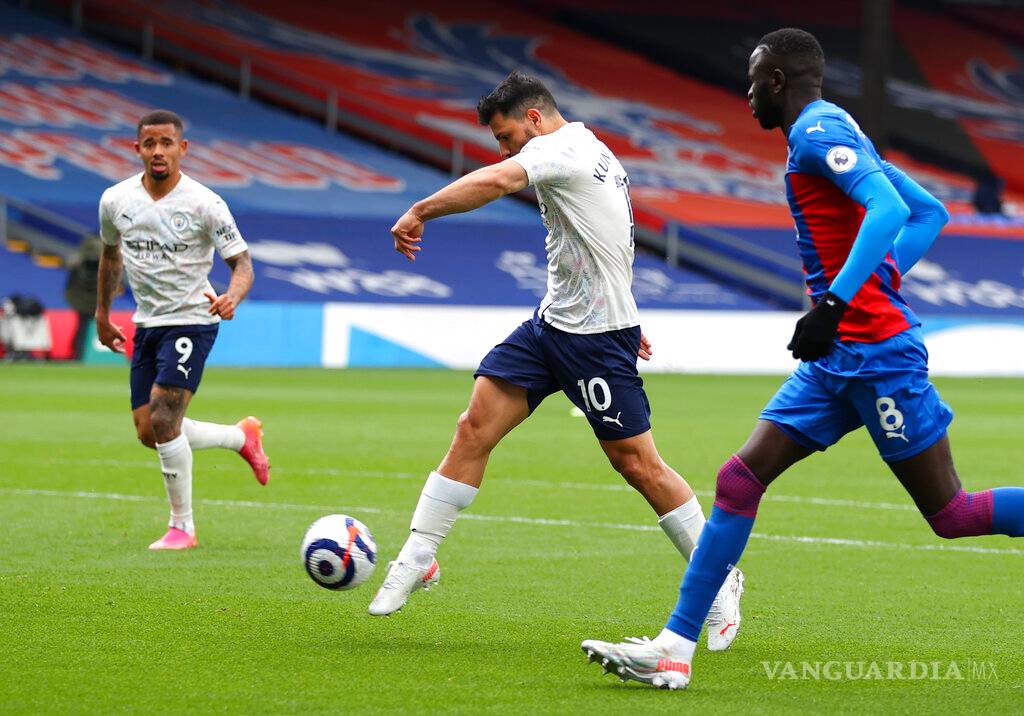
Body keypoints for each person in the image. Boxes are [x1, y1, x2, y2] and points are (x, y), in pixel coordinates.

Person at [580, 28, 1024, 691]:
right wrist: (870, 285)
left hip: (876, 360)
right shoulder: (829, 134)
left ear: (779, 81)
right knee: (738, 481)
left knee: (951, 515)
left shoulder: (819, 132)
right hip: (836, 359)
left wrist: (839, 301)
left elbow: (893, 207)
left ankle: (676, 645)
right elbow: (929, 212)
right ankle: (674, 648)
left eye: (755, 79)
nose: (748, 91)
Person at [370, 71, 745, 649]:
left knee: (638, 466)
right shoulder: (594, 151)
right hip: (551, 326)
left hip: (596, 339)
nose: (503, 149)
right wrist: (630, 307)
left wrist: (420, 210)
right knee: (473, 428)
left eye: (506, 135)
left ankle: (719, 581)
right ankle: (419, 556)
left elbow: (495, 182)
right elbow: (610, 233)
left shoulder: (559, 149)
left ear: (536, 119)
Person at [95, 109, 270, 551]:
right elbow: (110, 257)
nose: (158, 151)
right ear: (137, 149)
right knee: (149, 431)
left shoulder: (205, 204)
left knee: (164, 416)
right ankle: (240, 437)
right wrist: (101, 313)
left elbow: (242, 264)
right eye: (149, 143)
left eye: (166, 143)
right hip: (147, 321)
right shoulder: (115, 201)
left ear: (182, 149)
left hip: (194, 317)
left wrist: (232, 296)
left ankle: (182, 528)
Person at [65, 234, 103, 359]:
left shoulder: (77, 261)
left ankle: (78, 351)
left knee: (83, 325)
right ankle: (83, 353)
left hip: (79, 300)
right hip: (93, 300)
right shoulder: (104, 261)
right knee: (87, 326)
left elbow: (70, 282)